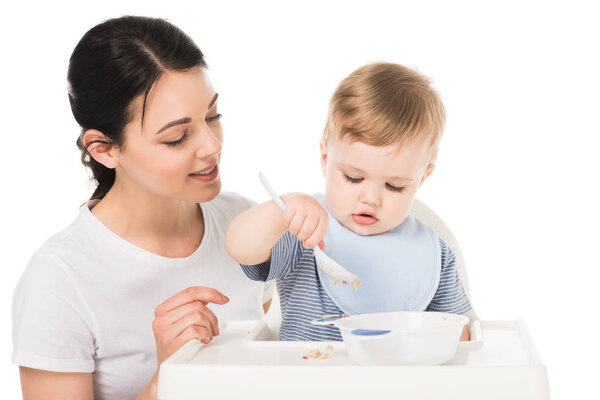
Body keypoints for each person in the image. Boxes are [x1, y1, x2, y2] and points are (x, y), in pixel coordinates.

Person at [11, 16, 273, 400]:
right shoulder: (59, 281)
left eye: (212, 117)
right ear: (104, 149)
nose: (212, 145)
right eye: (177, 137)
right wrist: (167, 377)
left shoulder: (244, 225)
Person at [226, 62, 471, 341]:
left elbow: (460, 338)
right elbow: (240, 247)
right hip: (306, 381)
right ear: (326, 159)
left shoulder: (435, 254)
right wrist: (284, 207)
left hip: (398, 385)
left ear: (422, 178)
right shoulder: (304, 231)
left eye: (395, 186)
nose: (370, 198)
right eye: (353, 178)